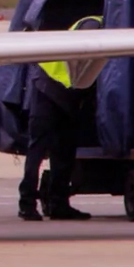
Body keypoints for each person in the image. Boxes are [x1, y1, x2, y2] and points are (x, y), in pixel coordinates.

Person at [20, 14, 102, 221]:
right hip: (47, 88)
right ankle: (27, 204)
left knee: (64, 151)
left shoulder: (97, 24)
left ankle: (59, 204)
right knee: (38, 149)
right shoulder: (94, 25)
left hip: (66, 93)